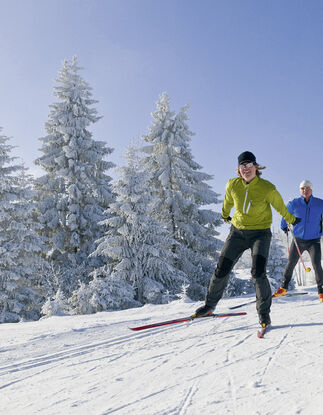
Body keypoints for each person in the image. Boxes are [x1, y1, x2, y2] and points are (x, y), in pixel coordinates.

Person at [194, 151, 299, 328]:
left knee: (258, 273)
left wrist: (291, 219)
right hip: (237, 233)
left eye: (249, 165)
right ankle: (209, 305)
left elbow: (279, 206)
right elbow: (228, 201)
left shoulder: (267, 188)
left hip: (260, 234)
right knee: (221, 269)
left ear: (256, 167)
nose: (246, 169)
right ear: (238, 169)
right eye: (243, 166)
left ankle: (264, 313)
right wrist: (225, 214)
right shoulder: (232, 185)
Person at [273, 180, 323, 302]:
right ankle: (283, 287)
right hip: (298, 240)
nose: (305, 190)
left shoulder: (320, 203)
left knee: (316, 264)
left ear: (312, 189)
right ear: (300, 190)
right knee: (291, 263)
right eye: (302, 188)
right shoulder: (294, 204)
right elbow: (285, 214)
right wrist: (284, 226)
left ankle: (321, 290)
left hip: (314, 240)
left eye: (307, 188)